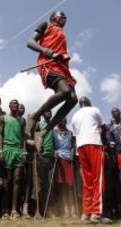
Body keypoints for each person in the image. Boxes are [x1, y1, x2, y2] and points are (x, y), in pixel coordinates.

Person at [26, 11, 77, 152]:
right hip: (48, 63)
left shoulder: (62, 33)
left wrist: (63, 57)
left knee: (73, 100)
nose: (65, 18)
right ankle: (35, 117)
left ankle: (43, 132)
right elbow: (30, 42)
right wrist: (49, 52)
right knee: (65, 91)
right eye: (62, 16)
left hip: (62, 68)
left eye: (66, 17)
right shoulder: (46, 25)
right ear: (53, 17)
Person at [70, 97, 111, 224]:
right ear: (89, 103)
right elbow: (104, 128)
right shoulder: (94, 110)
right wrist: (105, 139)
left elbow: (75, 134)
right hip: (93, 143)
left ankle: (86, 212)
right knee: (98, 179)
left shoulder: (74, 116)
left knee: (87, 181)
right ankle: (96, 213)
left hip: (81, 147)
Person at [0, 99, 26, 220]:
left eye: (17, 104)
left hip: (19, 150)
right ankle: (5, 210)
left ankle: (14, 210)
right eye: (13, 103)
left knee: (17, 180)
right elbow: (0, 134)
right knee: (7, 181)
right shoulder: (4, 118)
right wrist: (0, 150)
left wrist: (24, 151)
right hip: (7, 148)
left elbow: (24, 136)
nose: (15, 105)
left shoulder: (22, 120)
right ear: (9, 106)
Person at [53, 118, 76, 218]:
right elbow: (52, 145)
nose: (63, 122)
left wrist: (72, 153)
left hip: (68, 160)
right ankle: (66, 210)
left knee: (70, 186)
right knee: (62, 186)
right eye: (61, 120)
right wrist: (55, 151)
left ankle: (73, 210)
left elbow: (72, 146)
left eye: (64, 120)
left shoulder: (70, 132)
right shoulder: (54, 132)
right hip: (59, 159)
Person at [35, 110, 56, 217]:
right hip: (42, 157)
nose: (49, 113)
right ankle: (42, 210)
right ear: (43, 114)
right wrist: (39, 150)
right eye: (47, 112)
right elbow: (34, 136)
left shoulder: (53, 124)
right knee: (42, 185)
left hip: (51, 157)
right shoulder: (39, 124)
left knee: (51, 184)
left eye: (51, 112)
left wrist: (56, 150)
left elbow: (54, 139)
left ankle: (50, 209)